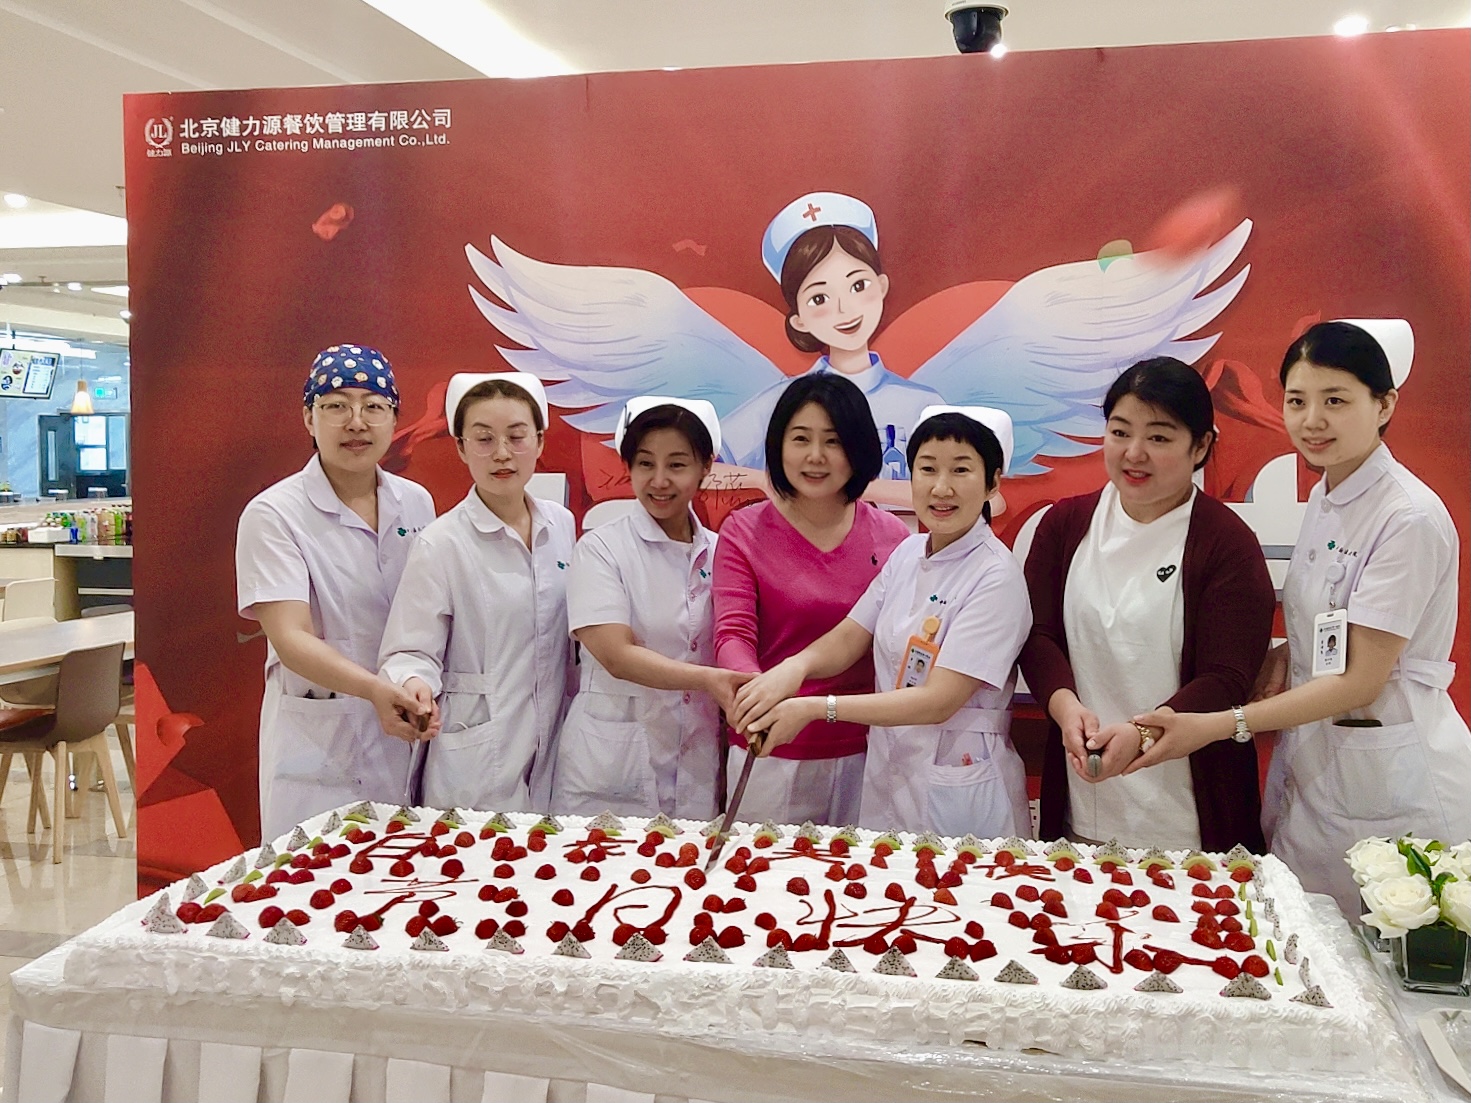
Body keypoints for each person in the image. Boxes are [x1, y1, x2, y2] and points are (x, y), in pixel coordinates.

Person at [1130, 321, 1471, 914]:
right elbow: (1337, 620)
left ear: (1385, 404)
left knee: (1386, 946)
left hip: (1391, 772)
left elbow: (1361, 680)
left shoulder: (1406, 517)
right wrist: (1286, 654)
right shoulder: (1327, 493)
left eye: (1335, 401)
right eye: (1296, 401)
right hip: (1322, 767)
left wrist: (1222, 724)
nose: (1312, 420)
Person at [733, 407, 1032, 837]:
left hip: (959, 783)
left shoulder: (995, 576)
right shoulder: (908, 553)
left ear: (993, 483)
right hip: (891, 774)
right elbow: (850, 636)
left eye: (960, 470)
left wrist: (816, 708)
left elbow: (938, 700)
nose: (941, 487)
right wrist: (793, 669)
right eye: (927, 469)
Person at [1019, 358, 1274, 852]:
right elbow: (1037, 634)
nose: (1134, 453)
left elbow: (1227, 677)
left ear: (1201, 445)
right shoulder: (1066, 525)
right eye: (1120, 432)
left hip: (1192, 822)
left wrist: (1142, 735)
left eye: (1159, 437)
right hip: (1084, 801)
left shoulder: (1227, 544)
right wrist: (1064, 705)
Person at [236, 345, 437, 840]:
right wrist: (374, 691)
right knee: (310, 877)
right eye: (336, 406)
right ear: (309, 417)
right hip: (319, 740)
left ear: (394, 419)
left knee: (400, 871)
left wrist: (417, 681)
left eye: (374, 406)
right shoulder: (274, 514)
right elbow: (291, 638)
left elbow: (426, 616)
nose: (357, 422)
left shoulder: (416, 503)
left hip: (404, 733)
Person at [712, 372, 910, 826]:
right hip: (771, 746)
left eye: (833, 441)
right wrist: (757, 697)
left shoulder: (894, 538)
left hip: (866, 750)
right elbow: (733, 633)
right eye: (801, 438)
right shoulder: (744, 531)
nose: (816, 456)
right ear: (779, 445)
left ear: (858, 449)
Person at [378, 372, 574, 812]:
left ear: (540, 442)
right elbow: (410, 650)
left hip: (552, 749)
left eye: (516, 437)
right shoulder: (441, 543)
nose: (502, 453)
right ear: (462, 448)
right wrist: (414, 685)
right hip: (474, 756)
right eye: (484, 439)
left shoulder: (560, 525)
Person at [553, 397, 751, 819]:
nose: (659, 480)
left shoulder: (723, 552)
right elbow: (616, 655)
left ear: (705, 467)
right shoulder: (601, 549)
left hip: (697, 762)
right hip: (612, 762)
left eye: (677, 465)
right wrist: (709, 679)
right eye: (645, 464)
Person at [719, 192, 943, 476]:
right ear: (799, 320)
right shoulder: (781, 401)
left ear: (881, 286)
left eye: (858, 286)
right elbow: (705, 464)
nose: (844, 308)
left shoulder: (923, 405)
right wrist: (770, 483)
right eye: (819, 298)